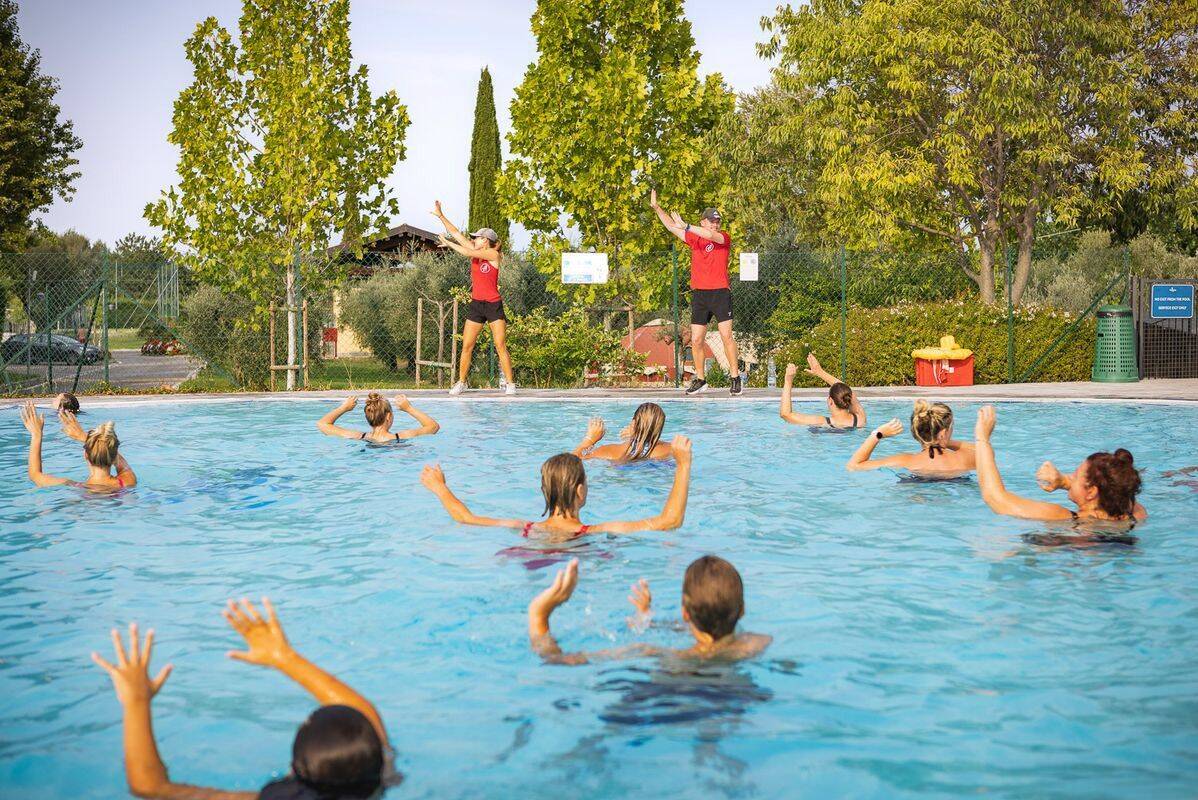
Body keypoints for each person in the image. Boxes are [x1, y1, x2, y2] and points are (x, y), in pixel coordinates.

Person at [90, 599, 393, 800]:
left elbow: (150, 787)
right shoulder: (381, 781)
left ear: (295, 769)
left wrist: (136, 702)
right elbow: (363, 715)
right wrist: (284, 658)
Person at [420, 435, 693, 539]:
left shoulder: (524, 527)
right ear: (580, 491)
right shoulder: (595, 532)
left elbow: (466, 518)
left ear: (544, 491)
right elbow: (669, 522)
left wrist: (441, 489)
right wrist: (683, 465)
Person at [527, 555, 771, 664]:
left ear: (685, 613)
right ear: (742, 610)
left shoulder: (656, 653)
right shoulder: (757, 644)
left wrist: (540, 615)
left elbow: (557, 660)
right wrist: (647, 617)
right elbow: (712, 637)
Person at [974, 405, 1147, 523]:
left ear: (1092, 492)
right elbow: (1123, 491)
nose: (1070, 477)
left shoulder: (1062, 517)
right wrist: (1066, 483)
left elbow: (995, 498)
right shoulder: (1135, 516)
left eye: (1075, 476)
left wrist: (982, 438)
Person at [648, 189, 742, 396]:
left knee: (726, 336)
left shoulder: (722, 238)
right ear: (703, 221)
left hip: (720, 293)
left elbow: (708, 235)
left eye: (717, 221)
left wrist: (688, 226)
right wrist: (657, 208)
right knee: (697, 339)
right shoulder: (695, 239)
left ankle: (735, 378)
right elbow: (672, 227)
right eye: (711, 221)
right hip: (700, 295)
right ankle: (701, 379)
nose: (715, 224)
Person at [430, 200, 516, 396]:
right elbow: (457, 234)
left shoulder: (493, 254)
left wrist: (448, 243)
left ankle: (510, 384)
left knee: (500, 345)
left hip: (493, 305)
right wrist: (441, 215)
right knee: (467, 345)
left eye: (477, 238)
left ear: (485, 240)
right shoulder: (477, 252)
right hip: (477, 305)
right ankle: (462, 382)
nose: (474, 239)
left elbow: (465, 249)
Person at [20, 400, 136, 490]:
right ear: (114, 458)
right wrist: (84, 437)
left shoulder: (75, 487)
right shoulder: (127, 482)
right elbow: (122, 465)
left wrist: (36, 435)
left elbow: (35, 475)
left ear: (85, 454)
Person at [846, 400, 975, 478]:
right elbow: (984, 450)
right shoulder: (964, 459)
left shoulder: (904, 461)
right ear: (944, 432)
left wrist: (877, 434)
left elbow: (853, 465)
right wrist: (942, 440)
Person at [779, 354, 866, 430]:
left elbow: (785, 414)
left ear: (830, 401)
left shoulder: (821, 422)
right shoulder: (860, 420)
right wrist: (820, 372)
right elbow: (848, 391)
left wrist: (788, 380)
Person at [316, 393, 440, 443]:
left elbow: (323, 424)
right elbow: (433, 427)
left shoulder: (358, 437)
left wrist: (343, 408)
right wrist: (409, 408)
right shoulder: (401, 437)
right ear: (389, 416)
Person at [573, 402, 672, 463]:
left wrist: (589, 440)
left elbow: (571, 462)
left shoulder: (609, 451)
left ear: (633, 423)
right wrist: (638, 435)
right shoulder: (671, 449)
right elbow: (649, 442)